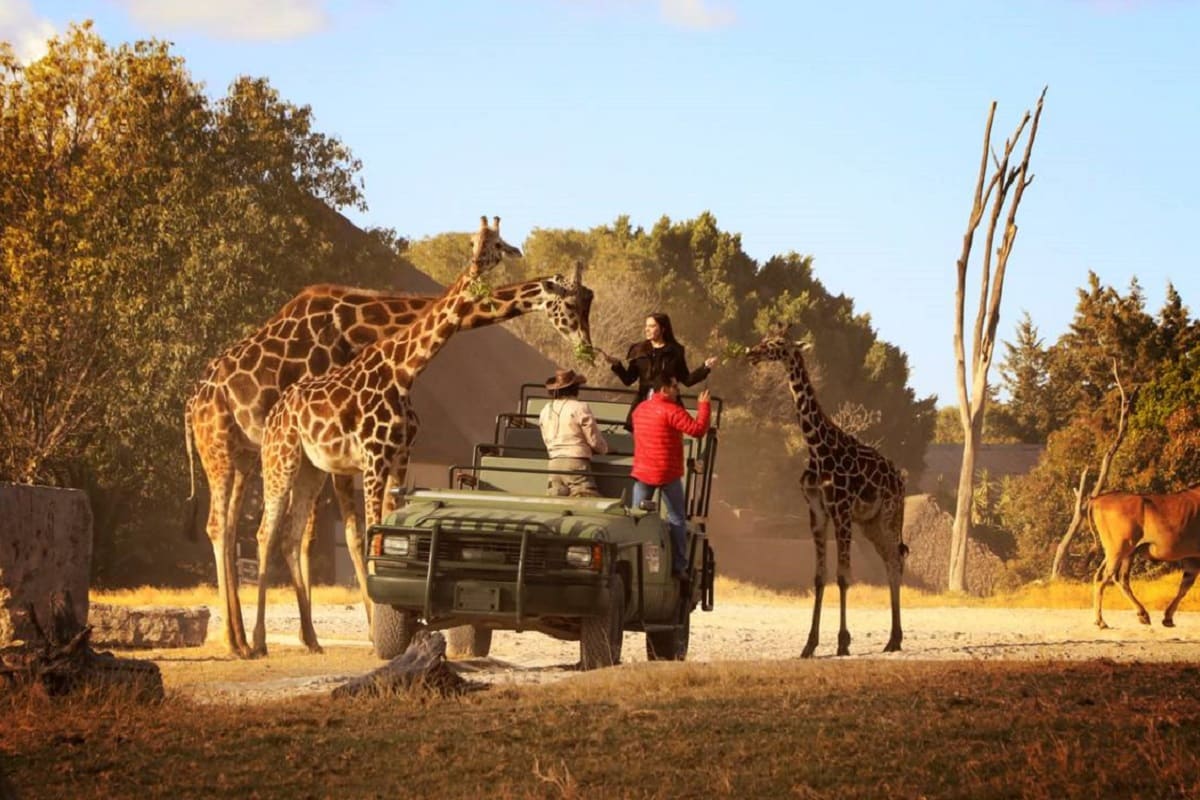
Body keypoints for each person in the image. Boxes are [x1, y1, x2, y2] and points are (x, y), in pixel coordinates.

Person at [630, 375, 711, 578]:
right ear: (664, 390)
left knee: (635, 519)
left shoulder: (639, 410)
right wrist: (704, 406)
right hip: (667, 472)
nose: (678, 390)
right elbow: (697, 430)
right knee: (677, 518)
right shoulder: (672, 410)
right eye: (675, 387)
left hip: (643, 471)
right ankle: (679, 565)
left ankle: (633, 561)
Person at [605, 312, 717, 431]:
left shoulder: (675, 351)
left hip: (668, 403)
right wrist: (617, 365)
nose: (647, 329)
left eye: (652, 326)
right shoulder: (637, 350)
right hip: (644, 403)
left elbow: (687, 380)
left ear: (663, 329)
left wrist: (705, 367)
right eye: (646, 326)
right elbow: (628, 380)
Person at [538, 368, 610, 497]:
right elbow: (593, 439)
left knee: (556, 500)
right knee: (586, 498)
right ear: (575, 388)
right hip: (576, 462)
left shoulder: (545, 410)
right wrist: (604, 450)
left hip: (554, 463)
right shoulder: (580, 407)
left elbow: (546, 438)